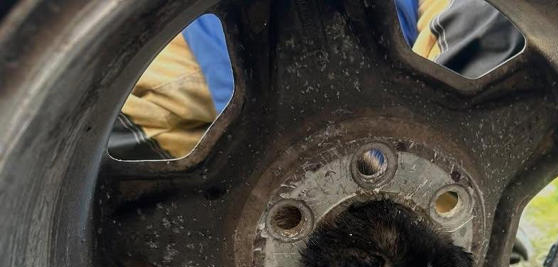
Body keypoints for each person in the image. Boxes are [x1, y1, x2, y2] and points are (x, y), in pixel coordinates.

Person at [109, 3, 522, 160]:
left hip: (409, 66)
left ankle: (459, 191)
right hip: (198, 90)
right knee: (96, 132)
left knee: (492, 20)